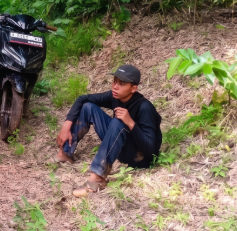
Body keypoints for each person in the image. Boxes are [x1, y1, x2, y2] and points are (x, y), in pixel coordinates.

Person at [51, 64, 162, 197]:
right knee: (88, 107)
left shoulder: (144, 107)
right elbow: (82, 99)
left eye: (121, 84)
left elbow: (151, 149)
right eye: (114, 81)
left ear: (134, 88)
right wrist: (66, 126)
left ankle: (97, 179)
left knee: (117, 122)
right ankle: (66, 153)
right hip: (120, 145)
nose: (115, 86)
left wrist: (131, 123)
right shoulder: (115, 96)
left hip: (138, 158)